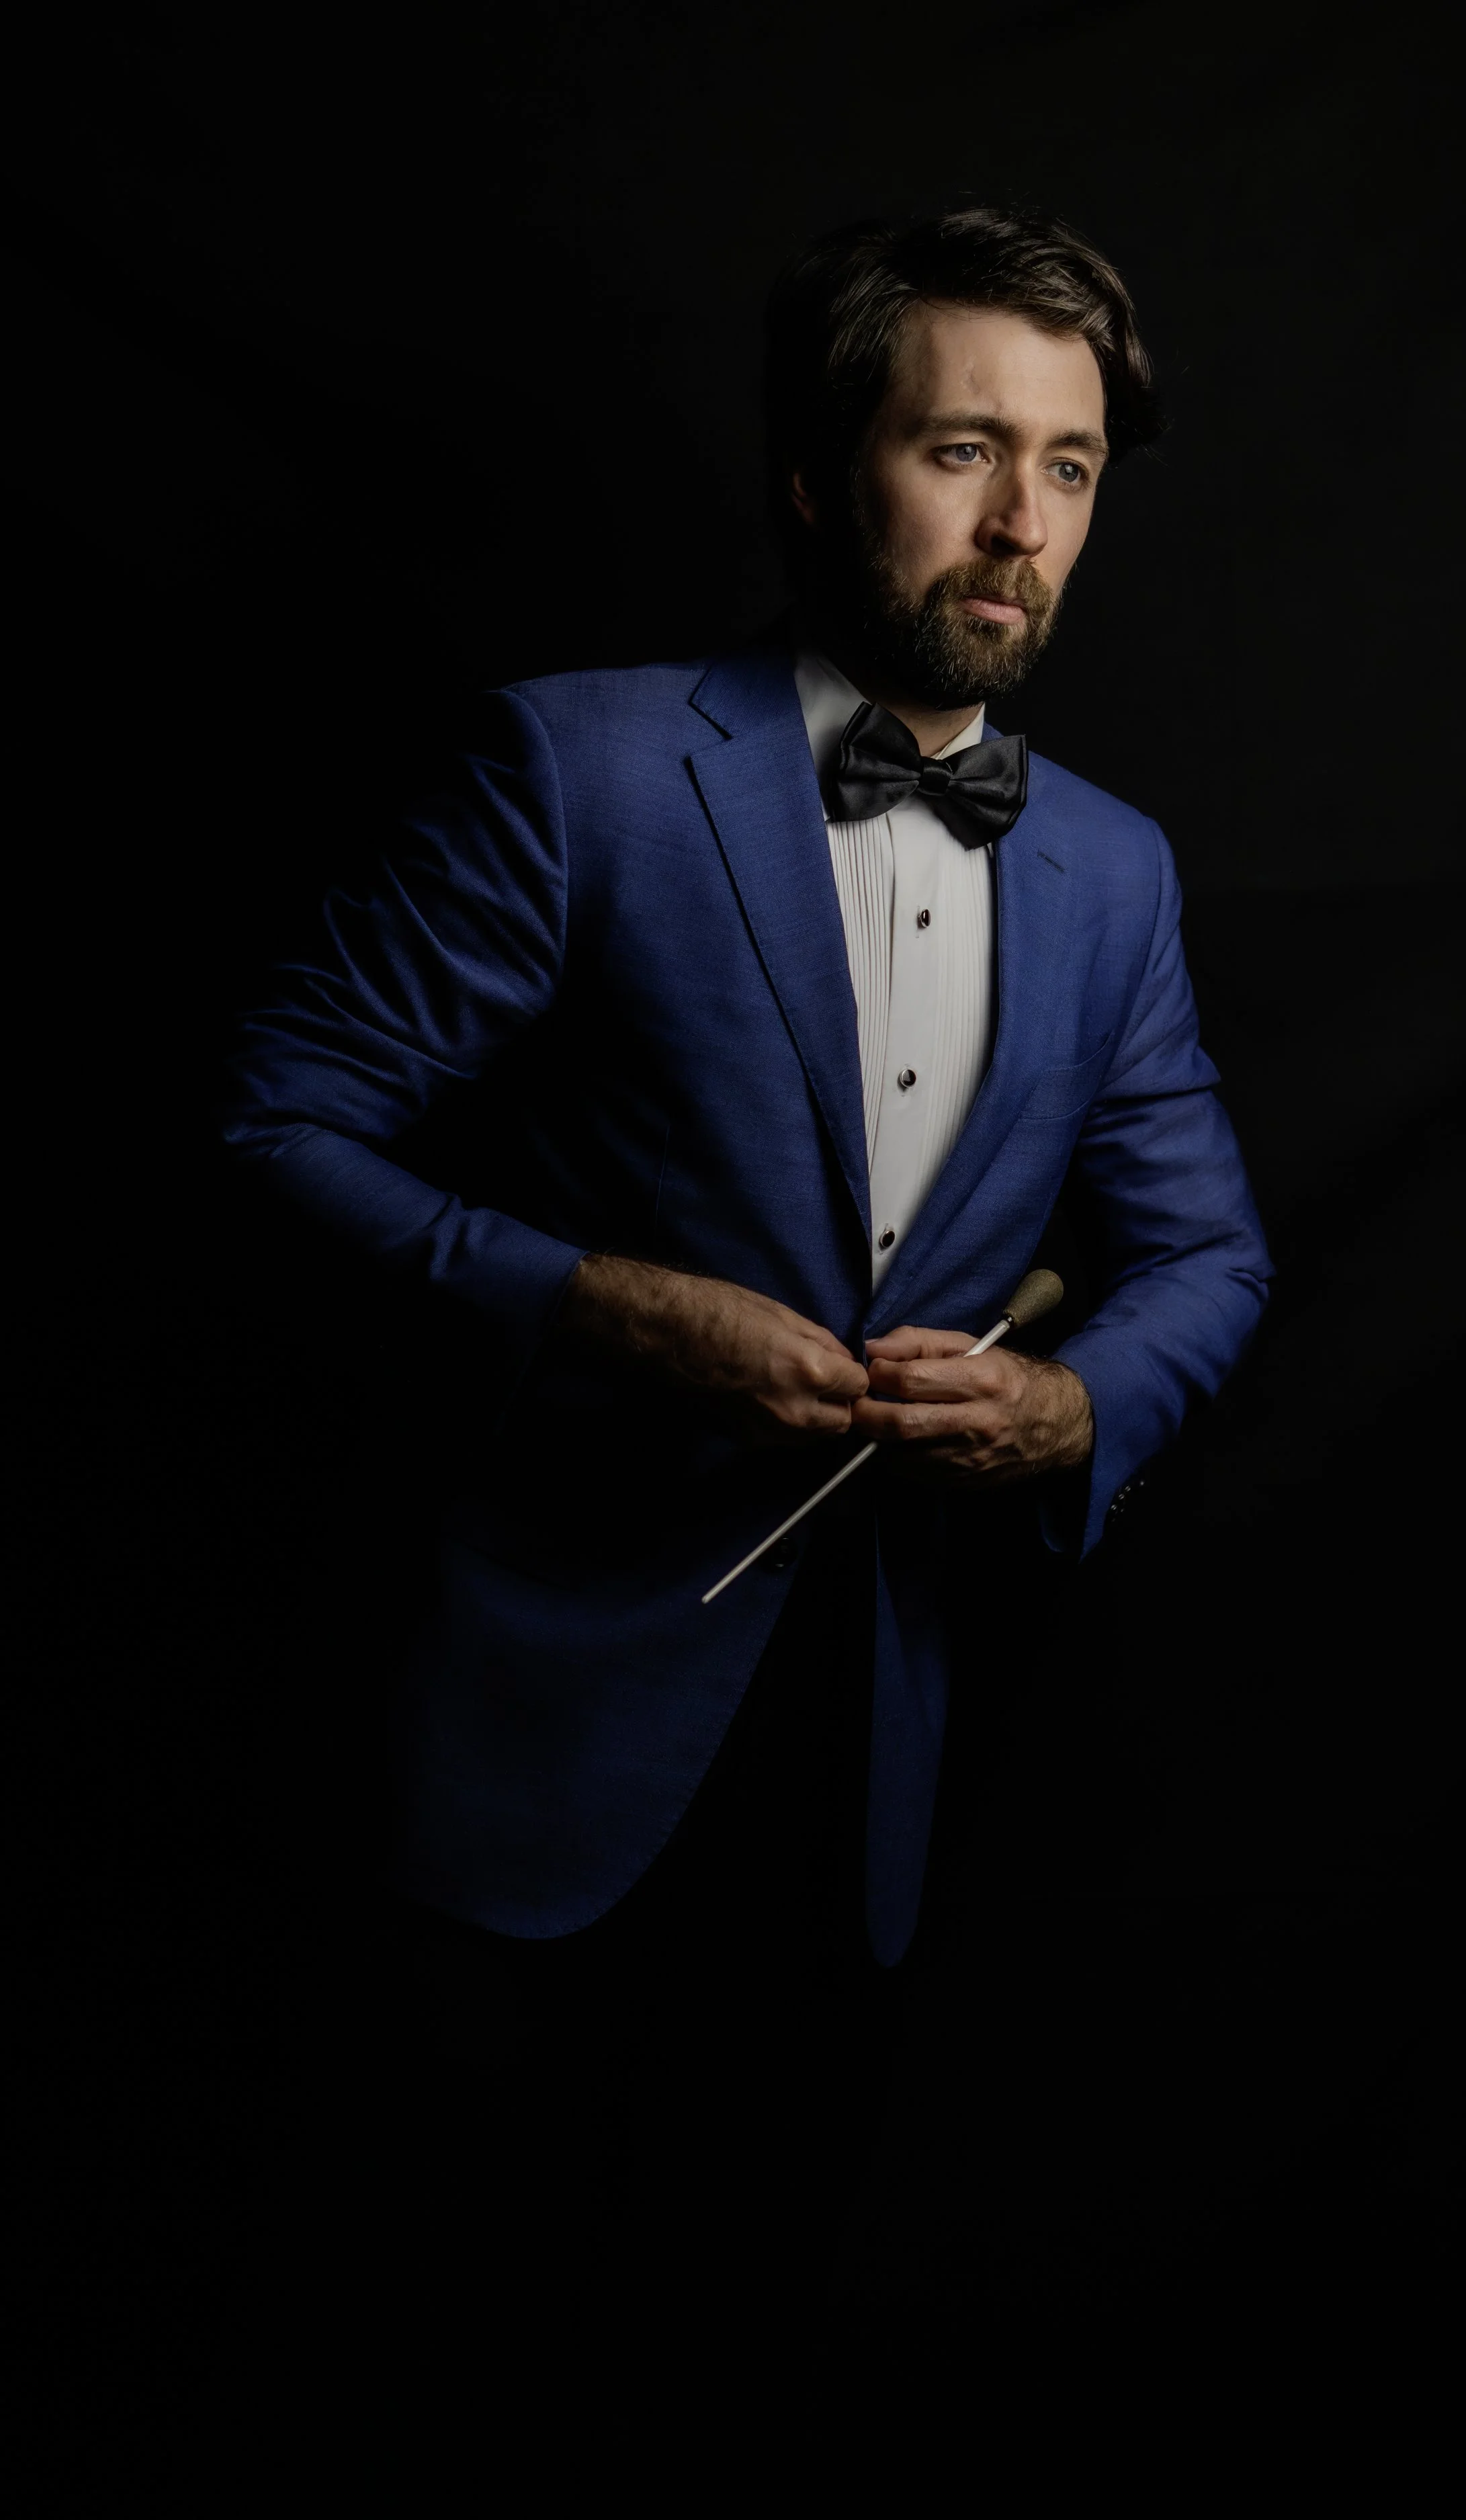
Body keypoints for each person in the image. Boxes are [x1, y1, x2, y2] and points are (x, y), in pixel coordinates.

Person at [224, 204, 1271, 2333]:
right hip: (527, 1711)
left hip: (871, 1742)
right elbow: (267, 1129)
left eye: (1065, 467)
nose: (1019, 526)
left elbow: (1201, 1250)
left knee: (745, 2291)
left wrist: (1075, 1404)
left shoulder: (1111, 870)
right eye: (961, 449)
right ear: (815, 470)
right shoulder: (579, 766)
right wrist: (589, 1299)